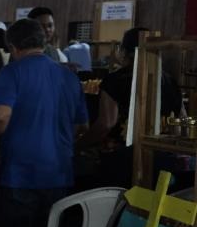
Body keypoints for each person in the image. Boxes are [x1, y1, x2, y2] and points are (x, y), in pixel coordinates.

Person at [0, 17, 89, 227]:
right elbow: (82, 126)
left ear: (12, 47)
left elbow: (0, 119)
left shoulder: (11, 73)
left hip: (20, 175)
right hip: (59, 175)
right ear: (44, 41)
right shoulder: (69, 77)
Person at [78, 27, 182, 188]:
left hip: (122, 162)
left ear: (124, 51)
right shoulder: (169, 81)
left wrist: (79, 145)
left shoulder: (115, 80)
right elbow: (179, 127)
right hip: (162, 162)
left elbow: (106, 123)